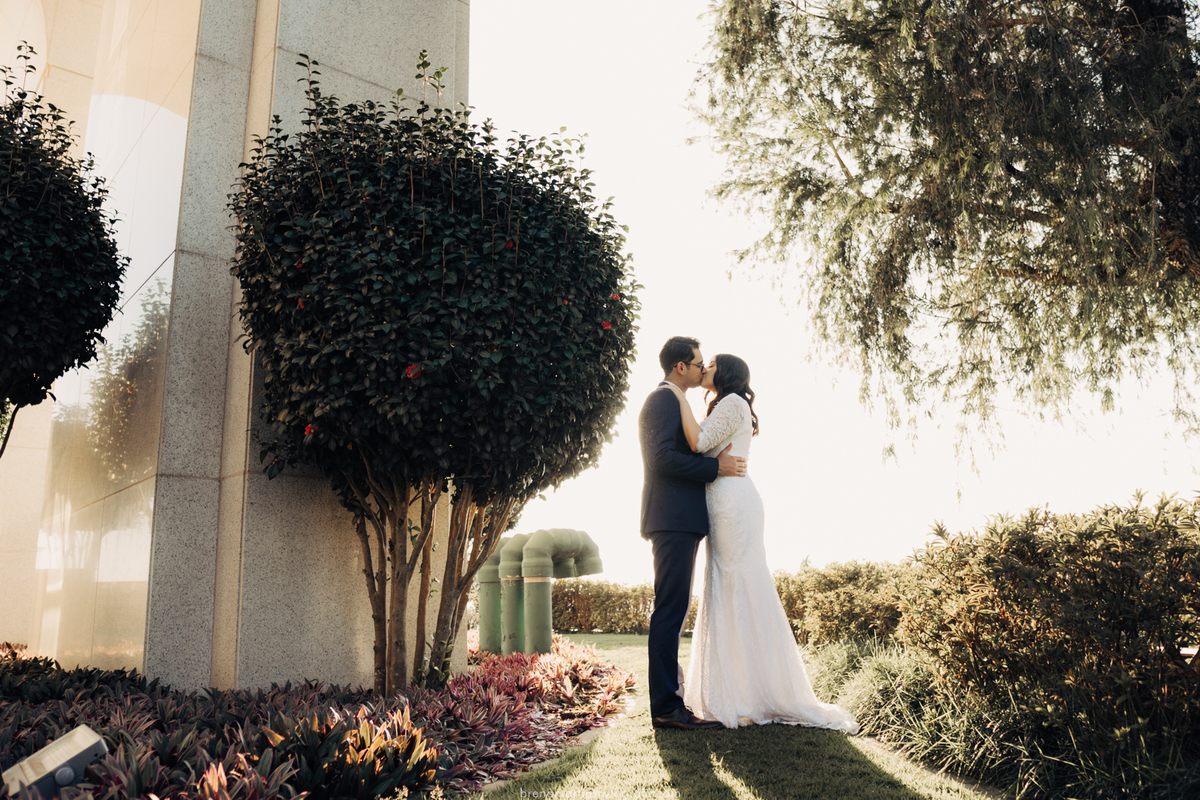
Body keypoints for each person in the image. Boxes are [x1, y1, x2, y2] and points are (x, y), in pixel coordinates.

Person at [664, 353, 860, 733]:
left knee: (737, 584)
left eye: (711, 365)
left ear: (727, 373)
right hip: (727, 500)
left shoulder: (732, 403)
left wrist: (677, 396)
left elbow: (698, 442)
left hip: (732, 504)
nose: (704, 369)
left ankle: (747, 694)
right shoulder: (726, 404)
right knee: (727, 584)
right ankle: (740, 690)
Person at [639, 336, 746, 731]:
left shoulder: (676, 402)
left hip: (681, 520)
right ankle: (667, 708)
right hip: (671, 519)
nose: (703, 370)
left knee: (675, 610)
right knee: (669, 611)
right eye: (699, 363)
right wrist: (713, 469)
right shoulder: (662, 400)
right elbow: (661, 459)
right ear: (680, 366)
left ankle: (672, 702)